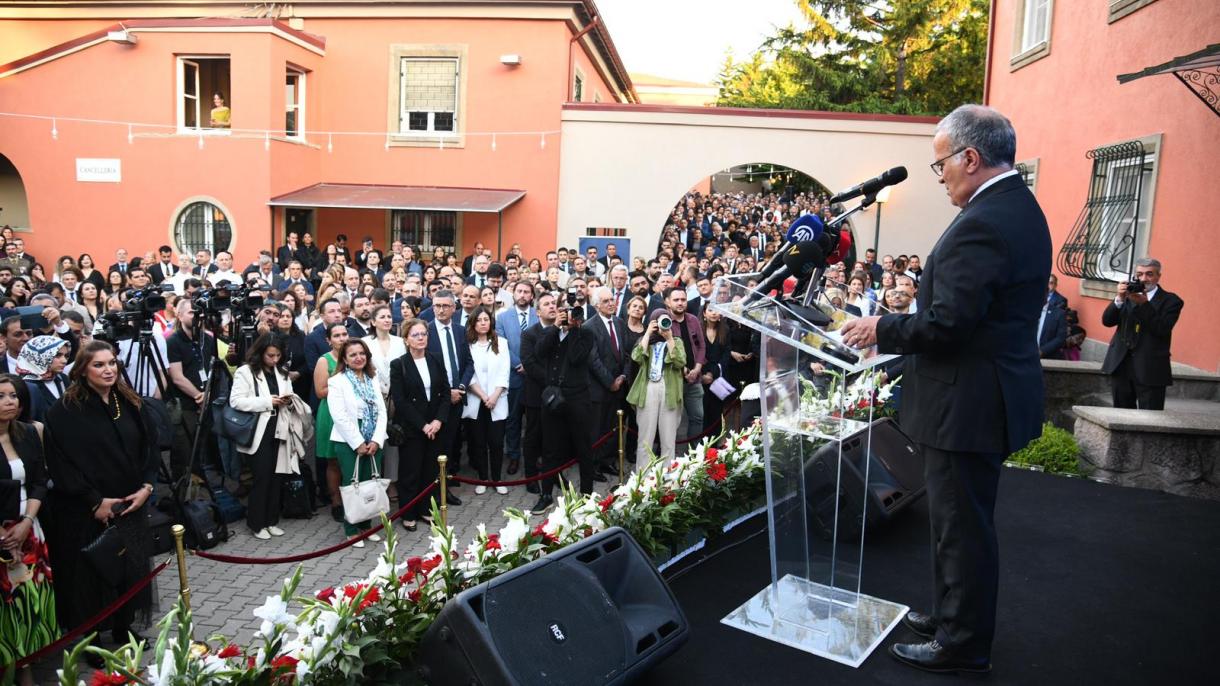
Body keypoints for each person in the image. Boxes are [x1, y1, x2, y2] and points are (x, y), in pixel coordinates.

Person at [841, 104, 1050, 674]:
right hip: (979, 395)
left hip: (969, 403)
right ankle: (952, 613)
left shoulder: (986, 220)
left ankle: (963, 643)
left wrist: (879, 326)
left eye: (942, 167)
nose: (941, 179)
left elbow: (947, 324)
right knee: (957, 523)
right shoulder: (1014, 206)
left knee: (963, 527)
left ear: (971, 157)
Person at [44, 341, 158, 654]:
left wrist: (147, 487)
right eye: (98, 365)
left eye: (112, 363)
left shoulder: (128, 400)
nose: (108, 370)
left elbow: (150, 447)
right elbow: (61, 462)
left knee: (129, 570)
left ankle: (124, 629)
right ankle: (93, 642)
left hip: (131, 502)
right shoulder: (65, 410)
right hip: (86, 509)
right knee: (91, 576)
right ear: (82, 370)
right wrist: (94, 501)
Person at [0, 373, 55, 686]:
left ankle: (28, 664)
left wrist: (26, 523)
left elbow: (38, 480)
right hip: (3, 534)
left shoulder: (27, 433)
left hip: (29, 527)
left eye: (14, 395)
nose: (11, 402)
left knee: (31, 598)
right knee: (7, 604)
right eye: (2, 396)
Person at [531, 299, 597, 513]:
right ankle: (546, 494)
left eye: (574, 311)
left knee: (583, 448)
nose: (569, 315)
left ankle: (586, 495)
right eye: (564, 311)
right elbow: (539, 352)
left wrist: (575, 328)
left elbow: (577, 357)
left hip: (578, 398)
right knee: (550, 449)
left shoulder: (586, 333)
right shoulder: (550, 332)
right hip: (553, 399)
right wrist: (555, 328)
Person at [230, 333, 296, 540]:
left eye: (277, 355)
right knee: (262, 477)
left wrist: (289, 401)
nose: (274, 360)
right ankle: (257, 523)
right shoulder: (245, 372)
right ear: (260, 353)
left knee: (277, 476)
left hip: (281, 426)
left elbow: (290, 394)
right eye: (270, 356)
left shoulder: (282, 372)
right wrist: (268, 401)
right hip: (259, 429)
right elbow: (236, 401)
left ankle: (271, 520)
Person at [1101, 257, 1183, 410]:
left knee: (1150, 418)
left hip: (1151, 368)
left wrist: (1144, 304)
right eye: (1139, 274)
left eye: (1149, 274)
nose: (1144, 279)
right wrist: (1119, 298)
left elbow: (1162, 328)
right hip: (1121, 364)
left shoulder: (1171, 301)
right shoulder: (1127, 295)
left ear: (1158, 276)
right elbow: (1107, 321)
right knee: (1121, 415)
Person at [390, 319, 449, 531]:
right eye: (415, 335)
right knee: (410, 471)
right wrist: (423, 425)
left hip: (436, 426)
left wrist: (437, 421)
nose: (421, 338)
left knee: (430, 470)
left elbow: (445, 392)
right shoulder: (399, 365)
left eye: (424, 334)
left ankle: (426, 510)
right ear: (406, 339)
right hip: (413, 428)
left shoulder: (436, 359)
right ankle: (408, 513)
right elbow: (401, 401)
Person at [327, 339, 387, 546]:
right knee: (353, 484)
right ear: (344, 358)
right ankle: (351, 529)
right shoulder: (337, 381)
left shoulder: (372, 377)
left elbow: (382, 411)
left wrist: (377, 440)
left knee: (370, 481)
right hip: (348, 439)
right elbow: (339, 415)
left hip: (374, 438)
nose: (358, 358)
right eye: (352, 355)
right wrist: (358, 442)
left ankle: (366, 527)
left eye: (361, 353)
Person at [627, 310, 686, 470]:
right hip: (648, 388)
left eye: (666, 321)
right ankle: (643, 476)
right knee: (645, 437)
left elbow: (680, 362)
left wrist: (669, 339)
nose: (663, 326)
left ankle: (668, 477)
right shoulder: (645, 340)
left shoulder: (677, 341)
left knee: (668, 439)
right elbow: (636, 357)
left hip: (669, 389)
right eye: (659, 321)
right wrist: (647, 334)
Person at [463, 307, 510, 494]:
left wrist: (494, 396)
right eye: (479, 320)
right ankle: (483, 478)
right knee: (479, 443)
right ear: (473, 323)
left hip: (497, 400)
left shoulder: (502, 343)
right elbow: (468, 374)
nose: (483, 323)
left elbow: (504, 372)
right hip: (477, 400)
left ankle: (497, 480)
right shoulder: (467, 344)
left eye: (486, 319)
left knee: (497, 443)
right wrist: (483, 396)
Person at [494, 281, 537, 475]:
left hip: (536, 377)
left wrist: (530, 366)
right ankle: (513, 456)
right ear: (514, 294)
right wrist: (519, 364)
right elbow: (501, 344)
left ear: (532, 296)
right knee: (513, 419)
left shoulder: (540, 315)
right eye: (519, 291)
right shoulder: (502, 318)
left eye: (526, 292)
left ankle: (534, 456)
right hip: (513, 375)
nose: (522, 295)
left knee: (535, 420)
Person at [313, 322, 348, 521]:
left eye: (344, 334)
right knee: (333, 461)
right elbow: (320, 391)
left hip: (351, 414)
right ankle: (336, 502)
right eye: (336, 335)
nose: (342, 338)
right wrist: (343, 385)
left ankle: (351, 499)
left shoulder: (354, 356)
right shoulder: (324, 361)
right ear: (328, 340)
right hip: (331, 414)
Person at [17, 335, 69, 422]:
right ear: (40, 355)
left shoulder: (63, 378)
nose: (64, 361)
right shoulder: (26, 385)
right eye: (58, 355)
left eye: (66, 355)